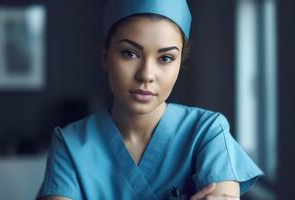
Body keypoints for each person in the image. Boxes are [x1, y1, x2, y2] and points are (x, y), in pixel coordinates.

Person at [37, 0, 263, 199]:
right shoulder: (70, 144)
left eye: (165, 58)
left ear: (179, 64)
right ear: (105, 57)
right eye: (130, 53)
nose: (146, 74)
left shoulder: (208, 133)